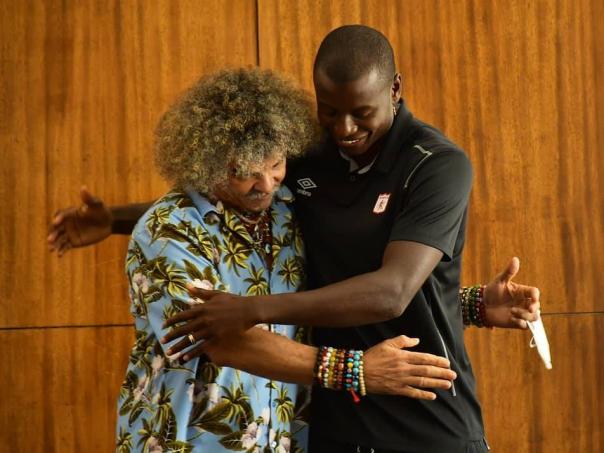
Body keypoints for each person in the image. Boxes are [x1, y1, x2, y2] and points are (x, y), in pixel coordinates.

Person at [49, 27, 540, 453]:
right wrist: (120, 218)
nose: (264, 184)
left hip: (349, 430)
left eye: (276, 165)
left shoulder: (311, 203)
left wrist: (466, 304)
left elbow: (366, 290)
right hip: (227, 436)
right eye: (245, 171)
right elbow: (221, 319)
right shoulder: (189, 223)